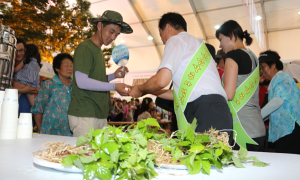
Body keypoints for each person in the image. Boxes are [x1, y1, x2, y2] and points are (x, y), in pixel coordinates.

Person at [130, 12, 233, 139]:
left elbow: (161, 81)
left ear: (168, 27)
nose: (162, 40)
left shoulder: (176, 39)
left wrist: (139, 88)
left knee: (198, 157)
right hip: (219, 110)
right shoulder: (197, 45)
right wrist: (146, 92)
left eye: (161, 34)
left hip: (202, 110)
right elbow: (178, 95)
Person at [67, 10, 133, 136]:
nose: (113, 38)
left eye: (116, 35)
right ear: (99, 25)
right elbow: (81, 81)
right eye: (111, 31)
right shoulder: (86, 48)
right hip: (85, 114)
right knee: (86, 154)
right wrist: (115, 86)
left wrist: (114, 76)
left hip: (98, 114)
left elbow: (95, 79)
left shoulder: (98, 51)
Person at [216, 20, 266, 151]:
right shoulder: (253, 56)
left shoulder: (233, 55)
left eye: (221, 39)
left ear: (231, 35)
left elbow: (228, 94)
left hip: (243, 131)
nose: (220, 45)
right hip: (257, 128)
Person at [259, 50, 300, 154]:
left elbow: (278, 101)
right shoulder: (276, 80)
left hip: (289, 129)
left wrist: (258, 116)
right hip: (285, 130)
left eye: (263, 67)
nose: (262, 71)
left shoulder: (281, 77)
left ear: (273, 65)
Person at [31, 53, 73, 136]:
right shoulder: (48, 85)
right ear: (57, 68)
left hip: (72, 132)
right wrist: (40, 129)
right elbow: (38, 109)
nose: (70, 68)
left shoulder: (76, 86)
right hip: (51, 132)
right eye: (66, 65)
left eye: (71, 65)